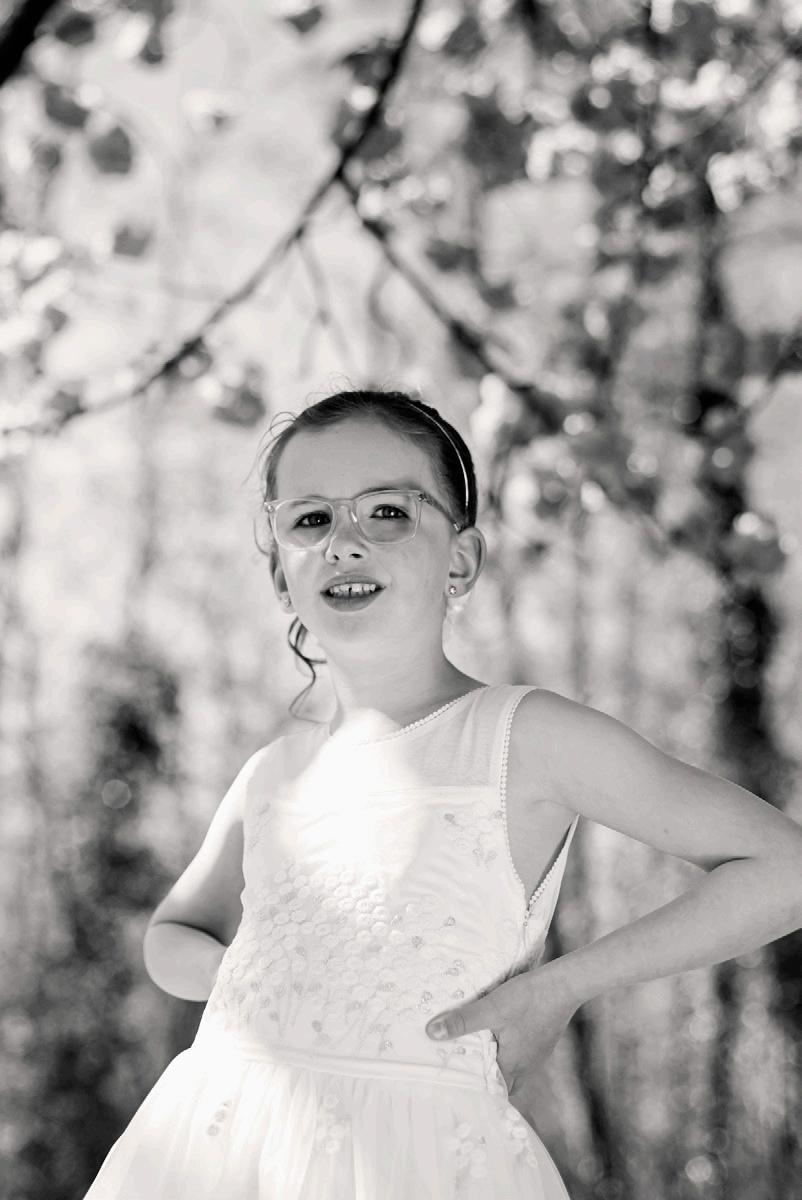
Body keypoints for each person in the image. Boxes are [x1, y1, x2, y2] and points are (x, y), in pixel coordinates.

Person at [82, 387, 802, 1199]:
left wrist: (561, 988)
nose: (344, 543)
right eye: (311, 519)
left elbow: (784, 868)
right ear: (282, 575)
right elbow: (171, 934)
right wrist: (244, 975)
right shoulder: (274, 774)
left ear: (459, 560)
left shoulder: (522, 737)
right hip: (211, 1151)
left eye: (387, 512)